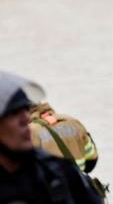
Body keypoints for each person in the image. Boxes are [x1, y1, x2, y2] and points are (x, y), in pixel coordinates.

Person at [0, 72, 102, 204]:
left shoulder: (58, 170)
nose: (25, 118)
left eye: (25, 109)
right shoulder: (71, 122)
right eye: (13, 113)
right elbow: (91, 160)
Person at [29, 103, 98, 173]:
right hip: (77, 180)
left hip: (51, 182)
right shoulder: (72, 121)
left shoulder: (27, 132)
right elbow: (91, 160)